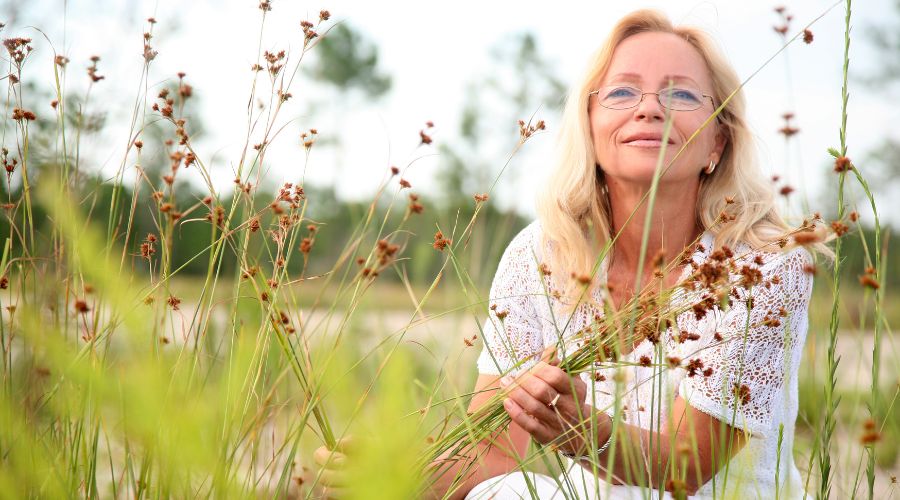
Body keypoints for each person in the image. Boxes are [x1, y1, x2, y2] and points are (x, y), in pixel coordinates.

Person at [316, 9, 818, 499]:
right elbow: (493, 453)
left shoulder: (764, 265)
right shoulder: (540, 254)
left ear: (717, 141)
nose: (649, 109)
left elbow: (686, 470)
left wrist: (583, 432)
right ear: (589, 126)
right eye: (622, 92)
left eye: (681, 93)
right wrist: (394, 477)